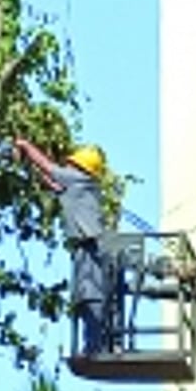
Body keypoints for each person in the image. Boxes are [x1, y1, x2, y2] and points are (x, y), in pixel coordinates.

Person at [12, 137, 116, 354]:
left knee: (91, 294)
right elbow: (51, 183)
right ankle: (99, 344)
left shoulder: (77, 178)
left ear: (79, 167)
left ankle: (96, 346)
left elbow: (48, 168)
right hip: (90, 245)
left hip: (92, 245)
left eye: (71, 164)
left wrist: (25, 145)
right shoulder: (80, 185)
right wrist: (26, 163)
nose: (67, 166)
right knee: (87, 294)